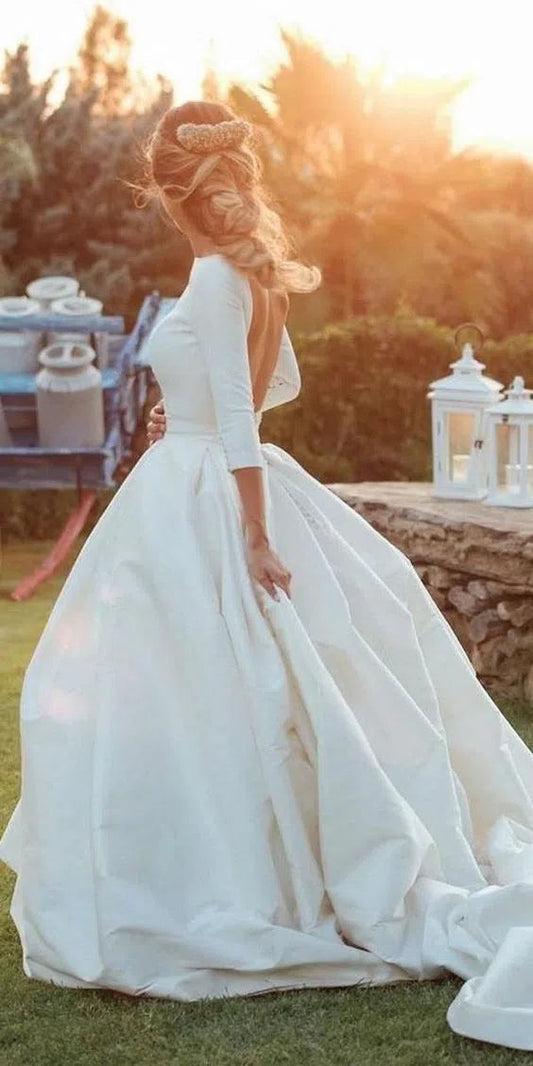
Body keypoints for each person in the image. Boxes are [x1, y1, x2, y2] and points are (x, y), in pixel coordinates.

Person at [2, 100, 533, 1052]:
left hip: (208, 492)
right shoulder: (254, 275)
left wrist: (250, 530)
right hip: (203, 462)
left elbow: (244, 417)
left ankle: (219, 877)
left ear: (168, 193)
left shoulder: (216, 275)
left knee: (192, 686)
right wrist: (183, 409)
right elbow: (273, 386)